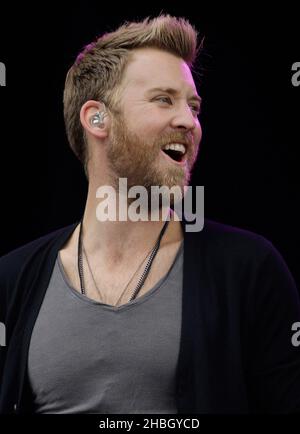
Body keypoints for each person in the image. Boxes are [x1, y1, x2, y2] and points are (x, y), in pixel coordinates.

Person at [0, 15, 300, 414]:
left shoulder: (250, 270)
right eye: (164, 99)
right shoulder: (12, 279)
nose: (188, 121)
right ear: (96, 118)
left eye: (193, 107)